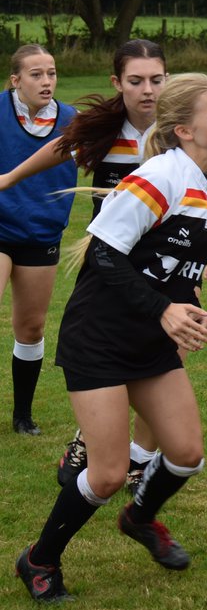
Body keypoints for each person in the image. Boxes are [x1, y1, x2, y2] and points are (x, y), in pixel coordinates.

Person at [14, 73, 207, 602]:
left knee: (186, 454)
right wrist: (163, 310)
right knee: (107, 473)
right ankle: (39, 558)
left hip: (149, 339)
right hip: (100, 336)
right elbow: (105, 253)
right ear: (184, 129)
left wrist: (187, 302)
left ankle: (140, 518)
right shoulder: (160, 176)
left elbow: (170, 264)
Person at [0, 40, 207, 487]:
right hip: (113, 267)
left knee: (169, 358)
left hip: (172, 264)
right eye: (136, 81)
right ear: (118, 84)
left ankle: (138, 459)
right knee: (109, 357)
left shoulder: (190, 128)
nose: (148, 90)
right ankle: (93, 439)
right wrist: (10, 178)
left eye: (157, 79)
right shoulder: (104, 129)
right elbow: (60, 148)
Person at [0, 45, 77, 435]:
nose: (46, 81)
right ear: (15, 80)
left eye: (51, 73)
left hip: (40, 234)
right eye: (36, 74)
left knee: (30, 328)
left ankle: (22, 416)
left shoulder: (72, 120)